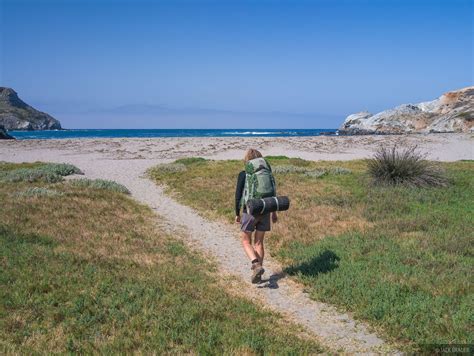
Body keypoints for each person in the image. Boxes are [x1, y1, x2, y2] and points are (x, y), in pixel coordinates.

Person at [235, 148, 278, 283]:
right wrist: (274, 213)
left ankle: (255, 264)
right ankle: (259, 273)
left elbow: (238, 196)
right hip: (265, 209)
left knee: (245, 241)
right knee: (259, 242)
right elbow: (272, 193)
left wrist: (237, 214)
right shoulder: (267, 174)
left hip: (250, 210)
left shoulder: (244, 174)